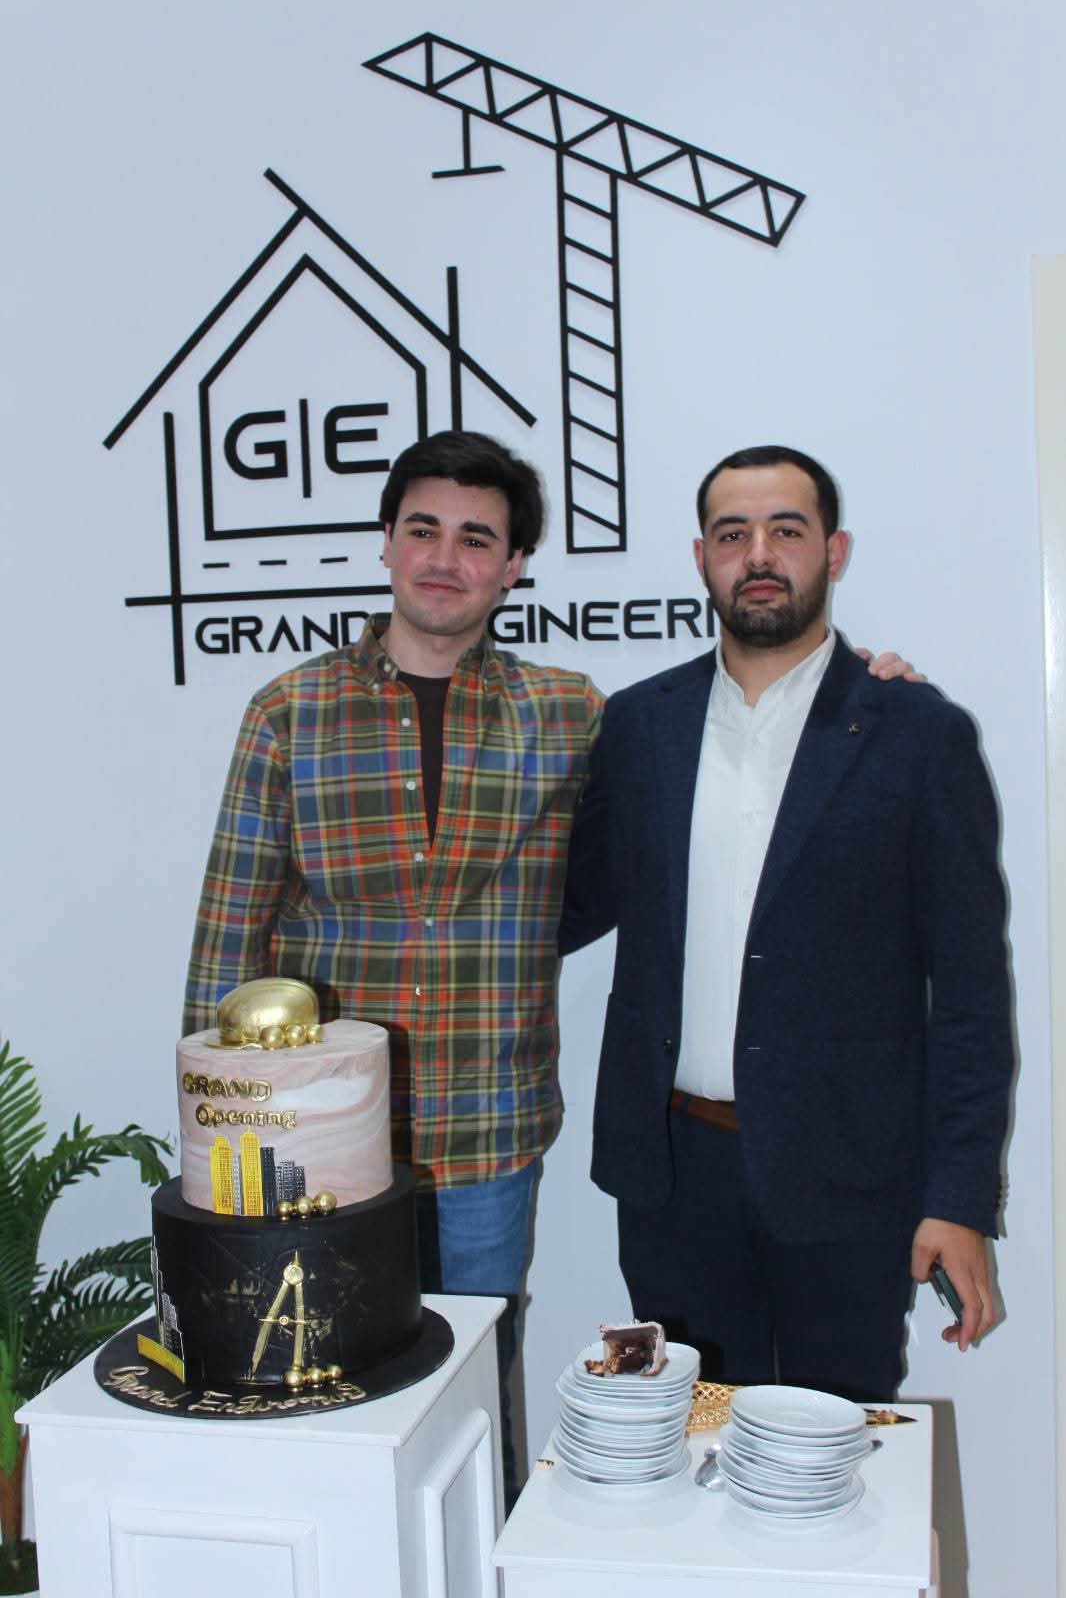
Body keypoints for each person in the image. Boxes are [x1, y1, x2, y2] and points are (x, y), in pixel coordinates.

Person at [183, 431, 603, 1505]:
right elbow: (230, 933)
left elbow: (696, 766)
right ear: (385, 542)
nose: (445, 558)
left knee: (470, 1402)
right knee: (323, 1403)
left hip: (485, 1136)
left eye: (477, 538)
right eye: (424, 529)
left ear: (513, 565)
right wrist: (217, 1138)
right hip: (314, 1146)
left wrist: (861, 686)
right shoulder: (289, 712)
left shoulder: (568, 713)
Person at [560, 444, 1013, 1401]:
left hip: (849, 1180)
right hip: (672, 1178)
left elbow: (972, 993)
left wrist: (960, 1197)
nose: (759, 555)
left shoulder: (916, 734)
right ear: (701, 559)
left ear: (833, 552)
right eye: (733, 535)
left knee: (835, 1457)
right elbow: (565, 906)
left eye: (786, 531)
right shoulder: (639, 725)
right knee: (687, 1443)